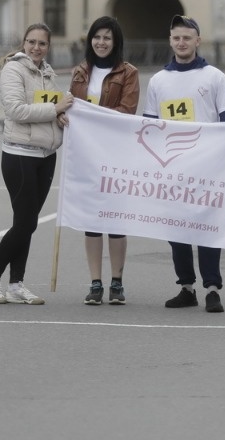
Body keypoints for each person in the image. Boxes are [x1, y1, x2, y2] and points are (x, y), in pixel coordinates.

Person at [142, 15, 225, 314]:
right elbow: (150, 126)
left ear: (198, 40)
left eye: (187, 38)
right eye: (176, 38)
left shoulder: (214, 77)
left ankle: (212, 289)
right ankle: (186, 287)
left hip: (208, 168)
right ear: (170, 41)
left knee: (208, 228)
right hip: (173, 169)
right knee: (177, 230)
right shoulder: (158, 81)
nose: (181, 43)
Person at [0, 23, 73, 306]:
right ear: (23, 43)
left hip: (46, 156)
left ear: (48, 47)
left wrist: (59, 117)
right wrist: (55, 109)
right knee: (25, 222)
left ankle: (16, 284)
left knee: (27, 224)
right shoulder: (14, 70)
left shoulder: (47, 73)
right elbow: (16, 110)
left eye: (42, 43)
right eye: (31, 42)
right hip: (19, 154)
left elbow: (48, 109)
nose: (36, 48)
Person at [69, 16, 140, 305]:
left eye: (107, 38)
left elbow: (127, 110)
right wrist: (63, 113)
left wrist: (92, 117)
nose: (101, 42)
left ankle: (117, 282)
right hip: (87, 155)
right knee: (93, 219)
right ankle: (95, 282)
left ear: (115, 42)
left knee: (116, 219)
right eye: (97, 37)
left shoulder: (128, 73)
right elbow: (72, 106)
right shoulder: (80, 72)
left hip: (116, 154)